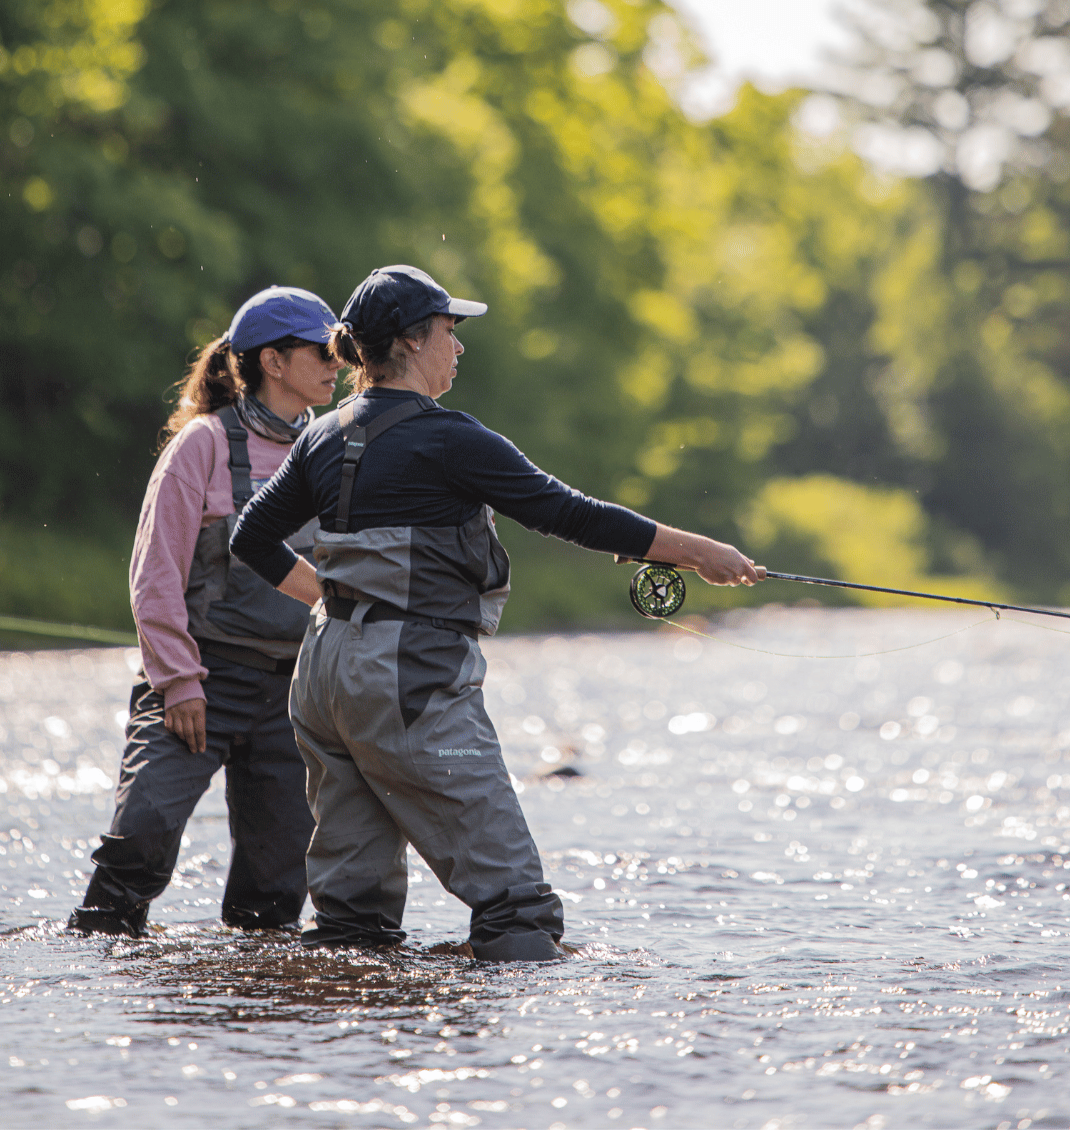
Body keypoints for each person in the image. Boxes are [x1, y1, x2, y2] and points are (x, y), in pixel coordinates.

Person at [229, 265, 759, 961]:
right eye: (451, 331)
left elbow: (251, 537)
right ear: (414, 341)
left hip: (323, 676)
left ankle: (344, 1062)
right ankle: (507, 1064)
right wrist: (697, 551)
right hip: (411, 682)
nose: (459, 347)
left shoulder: (321, 436)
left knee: (351, 924)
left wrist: (332, 601)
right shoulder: (451, 438)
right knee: (519, 909)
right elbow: (568, 512)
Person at [69, 286, 342, 937]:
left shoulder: (334, 450)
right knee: (140, 838)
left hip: (293, 694)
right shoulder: (202, 445)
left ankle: (246, 1007)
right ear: (272, 362)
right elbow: (154, 574)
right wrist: (179, 682)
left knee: (275, 897)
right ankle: (99, 956)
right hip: (197, 681)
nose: (339, 363)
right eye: (323, 350)